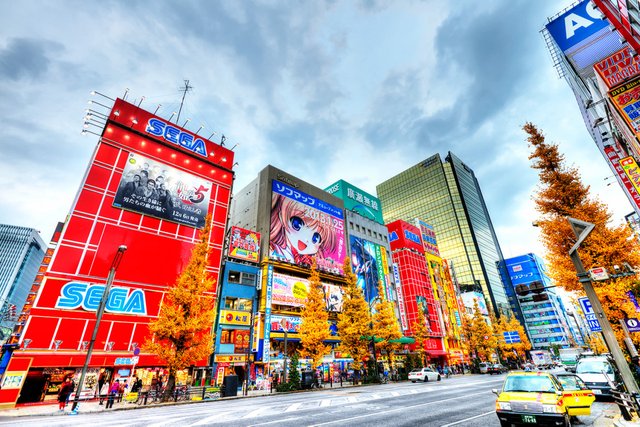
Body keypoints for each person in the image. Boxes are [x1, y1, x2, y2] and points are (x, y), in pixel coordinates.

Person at [269, 194, 341, 267]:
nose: (306, 239)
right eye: (297, 224)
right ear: (281, 216)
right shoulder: (273, 249)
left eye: (316, 238)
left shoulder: (313, 262)